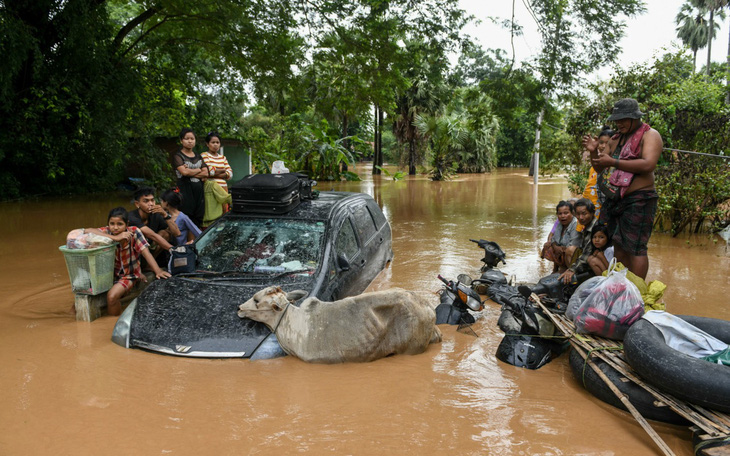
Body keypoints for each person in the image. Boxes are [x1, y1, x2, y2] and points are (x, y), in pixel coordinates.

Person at [582, 98, 662, 280]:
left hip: (640, 198)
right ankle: (621, 285)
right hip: (616, 198)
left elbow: (649, 164)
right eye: (616, 120)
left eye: (623, 119)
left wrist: (613, 162)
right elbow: (600, 167)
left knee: (636, 247)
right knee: (618, 243)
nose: (619, 123)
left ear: (635, 118)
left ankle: (637, 290)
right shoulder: (615, 139)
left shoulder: (650, 135)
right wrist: (594, 151)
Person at [86, 207, 170, 316]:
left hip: (129, 275)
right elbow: (86, 231)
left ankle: (113, 323)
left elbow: (146, 253)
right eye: (112, 224)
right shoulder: (107, 232)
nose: (115, 228)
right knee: (80, 301)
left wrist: (158, 271)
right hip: (110, 276)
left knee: (112, 297)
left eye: (120, 224)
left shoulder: (134, 232)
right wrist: (114, 238)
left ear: (127, 224)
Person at [128, 187, 179, 261]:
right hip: (135, 253)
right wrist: (174, 250)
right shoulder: (132, 217)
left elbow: (176, 233)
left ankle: (149, 266)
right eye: (146, 201)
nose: (151, 204)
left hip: (150, 249)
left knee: (165, 233)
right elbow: (152, 235)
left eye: (152, 200)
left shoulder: (156, 214)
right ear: (137, 204)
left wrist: (165, 215)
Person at [173, 128, 208, 228]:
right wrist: (198, 170)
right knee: (186, 220)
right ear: (181, 140)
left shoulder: (198, 156)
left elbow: (206, 173)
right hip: (185, 194)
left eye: (192, 138)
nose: (190, 141)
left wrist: (190, 172)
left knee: (198, 220)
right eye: (186, 138)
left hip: (199, 195)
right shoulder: (178, 156)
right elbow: (184, 172)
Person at [560, 198, 597, 284]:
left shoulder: (594, 229)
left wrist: (572, 270)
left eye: (584, 214)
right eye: (578, 214)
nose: (581, 217)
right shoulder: (587, 226)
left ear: (592, 213)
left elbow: (587, 254)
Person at [582, 127, 614, 218]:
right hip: (599, 207)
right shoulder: (596, 164)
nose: (603, 146)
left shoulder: (617, 161)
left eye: (607, 143)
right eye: (601, 142)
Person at [541, 201, 579, 272]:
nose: (563, 216)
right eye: (560, 213)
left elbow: (573, 244)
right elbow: (554, 238)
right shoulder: (559, 223)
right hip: (562, 249)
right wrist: (555, 246)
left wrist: (559, 248)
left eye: (566, 213)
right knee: (548, 246)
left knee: (568, 250)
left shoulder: (575, 224)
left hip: (574, 254)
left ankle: (570, 270)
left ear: (572, 213)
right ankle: (556, 269)